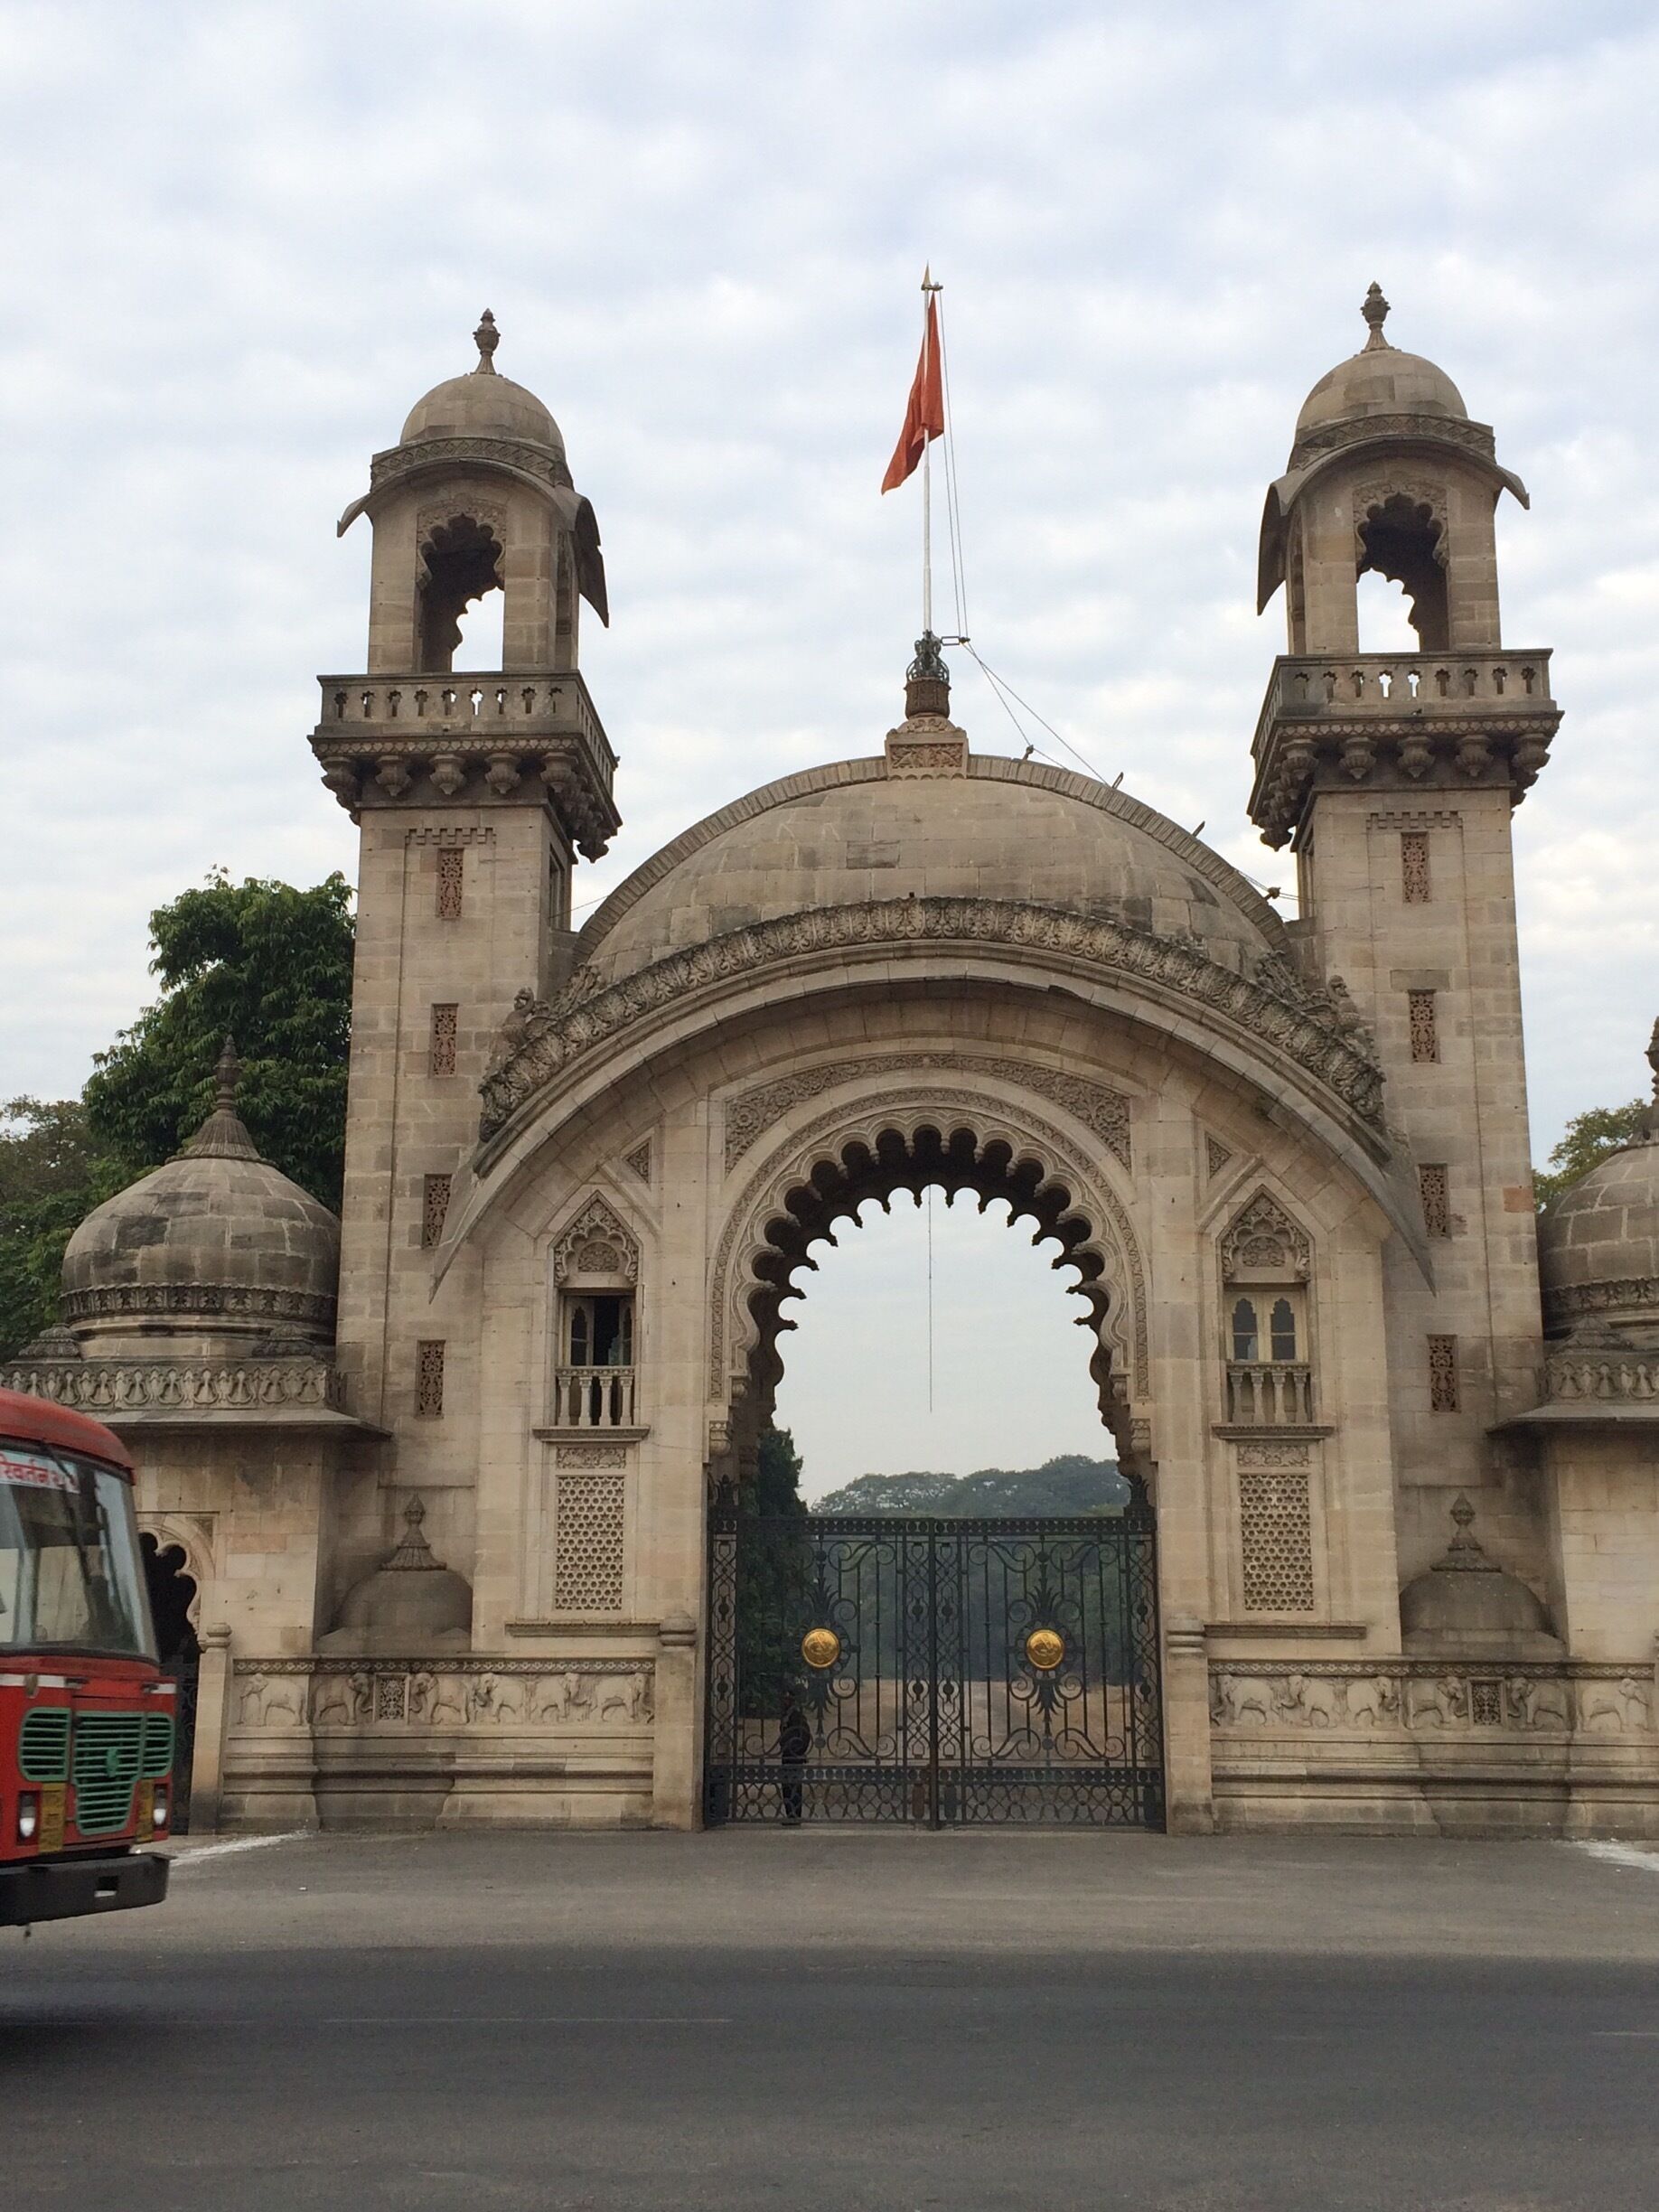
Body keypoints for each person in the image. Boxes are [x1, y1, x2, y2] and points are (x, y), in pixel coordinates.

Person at [778, 1693, 811, 1824]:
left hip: (794, 1755)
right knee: (787, 1785)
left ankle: (795, 1815)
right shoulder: (787, 1715)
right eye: (784, 1699)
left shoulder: (796, 1716)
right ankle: (791, 1814)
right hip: (788, 1755)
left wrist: (798, 1751)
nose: (784, 1702)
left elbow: (804, 1734)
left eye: (787, 1700)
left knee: (794, 1786)